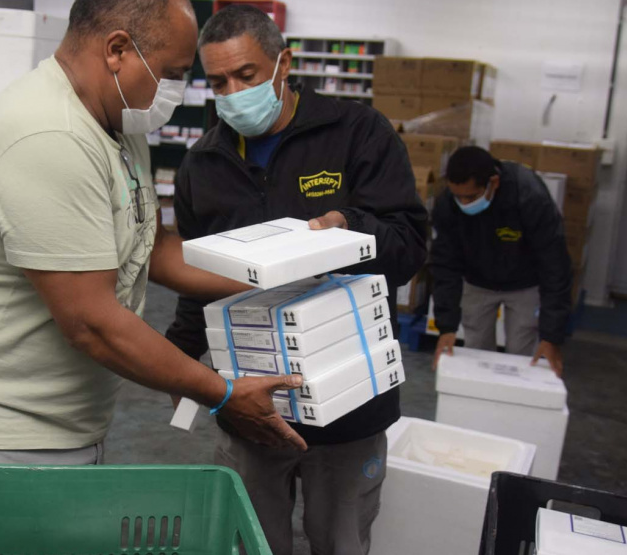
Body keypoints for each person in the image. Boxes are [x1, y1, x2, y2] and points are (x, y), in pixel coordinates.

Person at [0, 0, 309, 466]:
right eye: (172, 73)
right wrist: (221, 392)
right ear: (117, 50)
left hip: (61, 423)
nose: (176, 89)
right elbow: (91, 323)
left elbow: (152, 248)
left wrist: (279, 276)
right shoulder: (47, 135)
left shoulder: (120, 119)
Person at [165, 6, 428, 555]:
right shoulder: (202, 165)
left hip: (350, 405)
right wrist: (180, 363)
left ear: (283, 64)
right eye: (218, 82)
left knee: (342, 541)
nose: (233, 92)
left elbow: (408, 246)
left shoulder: (356, 133)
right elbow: (200, 284)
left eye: (247, 75)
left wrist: (349, 230)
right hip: (249, 407)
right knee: (249, 542)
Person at [430, 146, 572, 375]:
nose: (464, 203)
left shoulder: (529, 196)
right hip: (476, 282)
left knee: (522, 354)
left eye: (471, 196)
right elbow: (445, 264)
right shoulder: (447, 204)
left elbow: (555, 264)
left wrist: (551, 335)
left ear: (493, 182)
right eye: (458, 196)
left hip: (525, 283)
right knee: (475, 351)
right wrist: (446, 327)